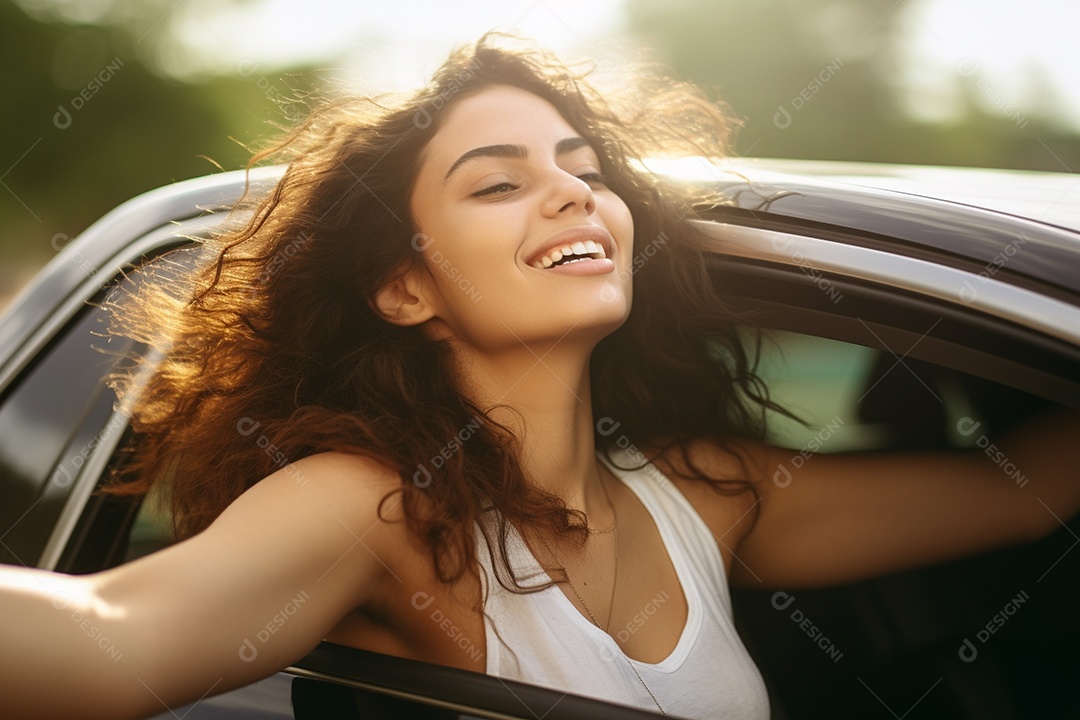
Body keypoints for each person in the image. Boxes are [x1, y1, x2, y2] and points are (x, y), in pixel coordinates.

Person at [1, 33, 1078, 720]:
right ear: (404, 289)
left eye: (584, 170)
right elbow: (109, 640)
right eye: (497, 185)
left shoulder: (704, 491)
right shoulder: (378, 511)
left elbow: (1024, 493)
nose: (573, 195)